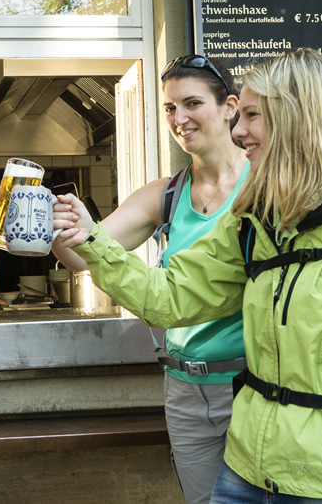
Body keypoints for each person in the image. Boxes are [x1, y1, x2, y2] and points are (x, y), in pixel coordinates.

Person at [53, 48, 322, 503]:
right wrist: (93, 240)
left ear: (298, 118)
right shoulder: (254, 224)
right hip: (244, 474)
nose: (238, 131)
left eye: (252, 115)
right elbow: (170, 296)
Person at [50, 54, 247, 504]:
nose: (180, 119)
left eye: (192, 103)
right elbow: (79, 259)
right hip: (183, 389)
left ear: (230, 106)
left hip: (248, 384)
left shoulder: (265, 185)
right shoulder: (166, 194)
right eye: (169, 108)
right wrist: (65, 225)